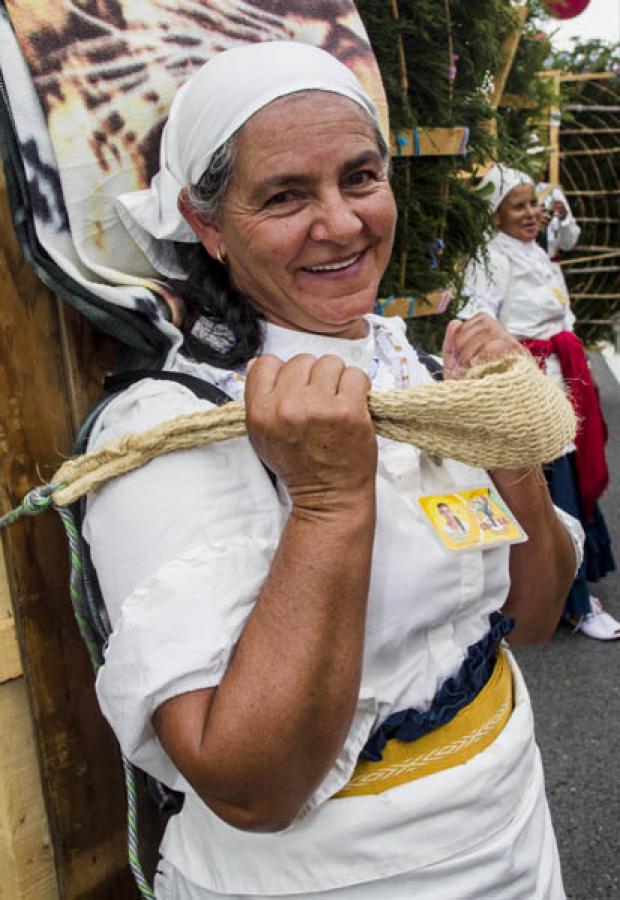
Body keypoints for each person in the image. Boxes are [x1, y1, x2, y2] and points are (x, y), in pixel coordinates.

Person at [85, 44, 582, 899]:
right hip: (331, 878)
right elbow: (250, 788)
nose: (343, 223)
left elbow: (534, 615)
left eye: (360, 178)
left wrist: (506, 447)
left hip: (511, 828)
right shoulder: (171, 430)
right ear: (207, 225)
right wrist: (325, 502)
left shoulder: (417, 374)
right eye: (285, 195)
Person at [460, 163, 617, 641]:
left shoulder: (531, 248)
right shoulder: (493, 257)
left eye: (533, 204)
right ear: (494, 215)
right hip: (534, 381)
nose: (530, 214)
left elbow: (564, 237)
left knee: (568, 477)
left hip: (562, 374)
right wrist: (511, 358)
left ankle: (570, 589)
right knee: (550, 488)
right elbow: (477, 313)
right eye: (518, 206)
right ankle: (568, 604)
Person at [536, 181, 581, 260]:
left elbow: (568, 244)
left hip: (547, 266)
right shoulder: (510, 189)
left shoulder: (552, 192)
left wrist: (564, 219)